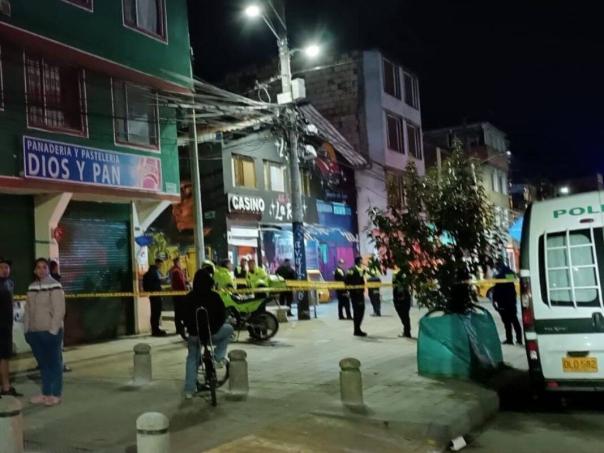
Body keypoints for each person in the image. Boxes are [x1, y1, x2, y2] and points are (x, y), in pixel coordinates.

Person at [183, 269, 234, 399]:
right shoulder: (214, 296)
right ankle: (218, 357)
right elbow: (222, 316)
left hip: (195, 336)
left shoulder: (188, 297)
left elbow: (182, 317)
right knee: (229, 329)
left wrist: (187, 330)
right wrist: (214, 328)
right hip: (212, 335)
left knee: (192, 358)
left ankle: (189, 390)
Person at [24, 258, 66, 406]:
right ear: (35, 270)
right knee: (43, 365)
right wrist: (27, 330)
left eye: (44, 267)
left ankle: (56, 394)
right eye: (38, 267)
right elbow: (27, 310)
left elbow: (59, 310)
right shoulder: (32, 287)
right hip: (34, 333)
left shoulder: (55, 285)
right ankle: (46, 393)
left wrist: (53, 331)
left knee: (54, 364)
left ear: (48, 270)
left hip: (50, 332)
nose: (41, 270)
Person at [0, 259, 22, 397]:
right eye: (1, 267)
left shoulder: (10, 283)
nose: (4, 270)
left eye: (6, 267)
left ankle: (6, 387)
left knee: (5, 356)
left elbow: (11, 301)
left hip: (6, 326)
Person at [492, 265, 522, 345]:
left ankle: (509, 339)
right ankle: (519, 339)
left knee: (507, 322)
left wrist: (494, 301)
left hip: (503, 303)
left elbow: (496, 290)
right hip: (511, 302)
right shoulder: (510, 276)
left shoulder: (499, 277)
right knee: (515, 321)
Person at [143, 258, 167, 337]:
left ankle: (156, 329)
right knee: (155, 313)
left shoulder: (154, 271)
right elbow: (153, 284)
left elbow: (155, 282)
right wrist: (157, 288)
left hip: (156, 295)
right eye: (160, 264)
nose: (161, 266)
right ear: (157, 263)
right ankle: (155, 330)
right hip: (155, 296)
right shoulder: (153, 272)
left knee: (156, 312)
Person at [346, 257, 367, 337]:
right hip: (356, 294)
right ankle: (357, 330)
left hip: (359, 293)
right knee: (358, 311)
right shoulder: (353, 269)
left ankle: (357, 329)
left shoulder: (359, 270)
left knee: (359, 311)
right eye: (361, 260)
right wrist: (351, 290)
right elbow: (346, 280)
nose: (362, 262)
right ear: (359, 261)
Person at [169, 257, 187, 340]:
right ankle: (180, 329)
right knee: (180, 312)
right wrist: (185, 290)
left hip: (176, 294)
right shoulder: (177, 271)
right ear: (177, 262)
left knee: (178, 312)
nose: (181, 263)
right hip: (180, 294)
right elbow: (181, 282)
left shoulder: (173, 270)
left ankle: (179, 329)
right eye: (181, 262)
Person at [393, 270, 412, 338]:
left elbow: (400, 295)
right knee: (406, 317)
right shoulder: (405, 283)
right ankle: (407, 331)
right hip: (406, 302)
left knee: (404, 317)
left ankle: (407, 332)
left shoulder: (399, 285)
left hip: (401, 303)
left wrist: (398, 302)